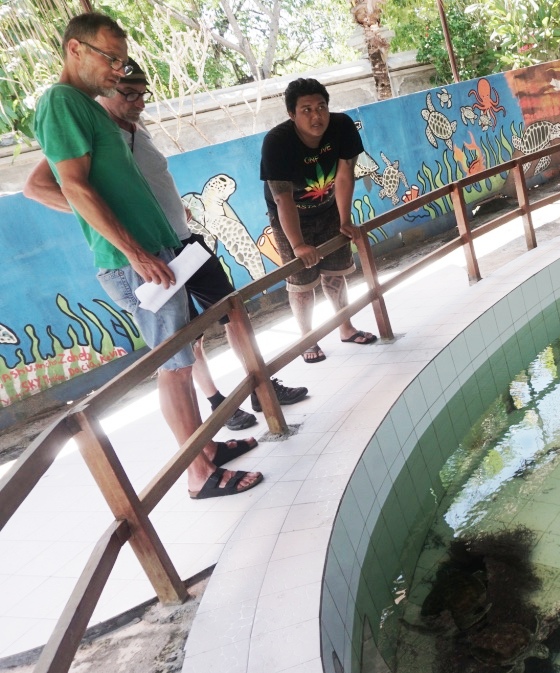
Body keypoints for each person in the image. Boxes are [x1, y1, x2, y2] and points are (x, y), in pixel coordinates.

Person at [31, 12, 262, 499]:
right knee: (174, 369)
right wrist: (131, 251)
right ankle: (197, 475)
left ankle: (205, 450)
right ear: (75, 49)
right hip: (135, 264)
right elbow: (67, 184)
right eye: (109, 58)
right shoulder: (60, 102)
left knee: (183, 358)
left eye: (122, 59)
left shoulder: (90, 109)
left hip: (157, 253)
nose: (118, 70)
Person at [24, 59, 308, 432]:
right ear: (106, 92)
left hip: (184, 242)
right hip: (151, 256)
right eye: (129, 94)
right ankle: (216, 401)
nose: (139, 102)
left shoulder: (138, 129)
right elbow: (38, 187)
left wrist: (174, 209)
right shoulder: (90, 130)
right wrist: (107, 224)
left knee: (233, 312)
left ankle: (260, 385)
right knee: (188, 339)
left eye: (144, 94)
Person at [260, 77, 376, 363]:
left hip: (328, 207)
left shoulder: (342, 127)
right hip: (289, 215)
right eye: (306, 110)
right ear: (292, 114)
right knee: (301, 282)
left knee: (336, 272)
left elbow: (345, 174)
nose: (316, 116)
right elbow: (281, 198)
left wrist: (345, 219)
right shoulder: (277, 142)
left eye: (321, 107)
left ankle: (346, 327)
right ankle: (307, 338)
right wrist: (298, 244)